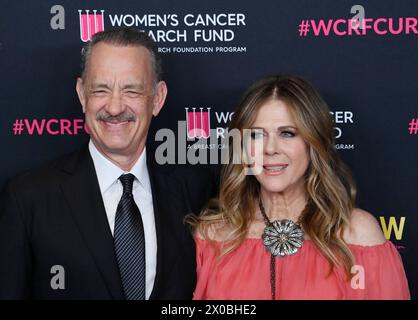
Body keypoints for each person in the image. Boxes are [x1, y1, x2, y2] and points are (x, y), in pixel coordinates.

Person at [0, 28, 215, 299]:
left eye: (131, 90)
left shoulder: (197, 189)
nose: (114, 108)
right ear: (82, 95)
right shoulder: (27, 198)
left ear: (157, 98)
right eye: (101, 89)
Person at [187, 75, 410, 300]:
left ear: (313, 143)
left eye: (287, 133)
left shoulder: (357, 233)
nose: (270, 149)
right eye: (256, 135)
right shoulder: (212, 236)